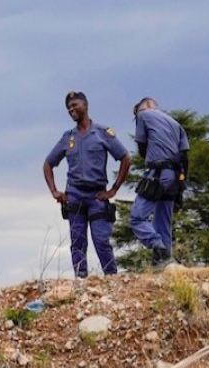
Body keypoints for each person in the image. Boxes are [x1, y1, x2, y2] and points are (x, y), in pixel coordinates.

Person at [43, 91, 132, 279]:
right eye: (68, 107)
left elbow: (125, 158)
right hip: (74, 195)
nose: (71, 109)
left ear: (86, 105)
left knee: (101, 240)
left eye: (75, 105)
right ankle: (81, 280)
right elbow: (48, 164)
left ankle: (111, 278)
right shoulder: (67, 138)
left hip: (97, 195)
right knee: (77, 242)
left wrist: (114, 189)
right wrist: (54, 191)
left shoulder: (102, 133)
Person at [130, 97, 189, 271]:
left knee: (137, 217)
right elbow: (185, 159)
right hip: (174, 176)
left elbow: (142, 147)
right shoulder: (177, 125)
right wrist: (180, 193)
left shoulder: (143, 115)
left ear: (145, 106)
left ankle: (158, 248)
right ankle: (165, 266)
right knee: (163, 222)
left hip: (158, 173)